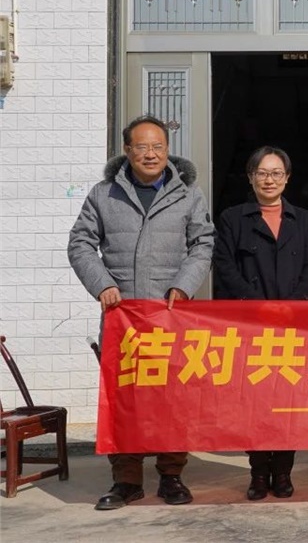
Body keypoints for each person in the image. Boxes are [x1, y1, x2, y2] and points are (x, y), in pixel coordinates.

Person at [66, 115, 215, 510]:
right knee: (124, 398)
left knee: (173, 397)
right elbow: (80, 243)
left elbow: (203, 243)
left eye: (158, 147)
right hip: (123, 318)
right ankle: (126, 480)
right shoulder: (104, 194)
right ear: (127, 150)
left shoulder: (188, 194)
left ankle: (171, 475)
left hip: (171, 314)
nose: (151, 154)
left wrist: (184, 285)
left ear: (167, 150)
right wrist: (102, 284)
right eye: (142, 147)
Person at [212, 146, 308, 501]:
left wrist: (294, 306)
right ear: (250, 177)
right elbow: (224, 266)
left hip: (291, 327)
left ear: (287, 178)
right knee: (254, 402)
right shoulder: (232, 218)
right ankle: (259, 473)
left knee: (288, 401)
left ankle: (283, 472)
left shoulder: (302, 219)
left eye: (276, 173)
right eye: (262, 172)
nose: (269, 179)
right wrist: (255, 306)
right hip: (250, 326)